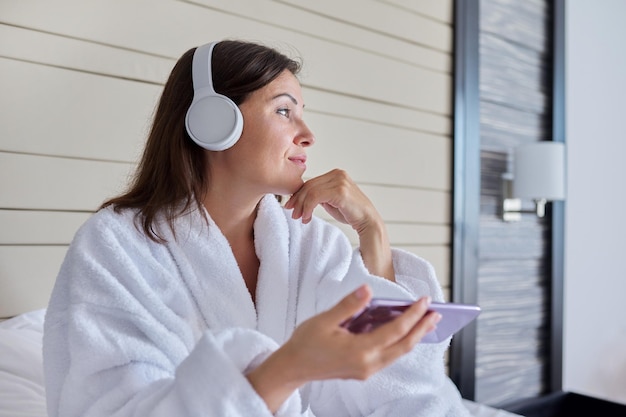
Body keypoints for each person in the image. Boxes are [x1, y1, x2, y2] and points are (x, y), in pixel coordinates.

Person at [42, 39, 480, 416]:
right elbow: (114, 406)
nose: (307, 134)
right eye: (284, 111)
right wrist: (289, 366)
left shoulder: (310, 240)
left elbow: (397, 391)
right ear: (213, 121)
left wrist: (372, 231)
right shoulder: (117, 245)